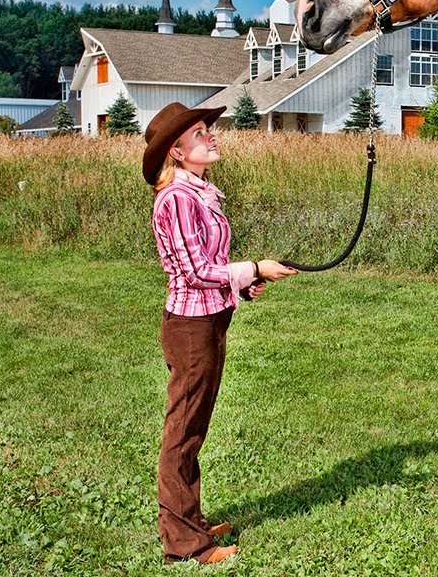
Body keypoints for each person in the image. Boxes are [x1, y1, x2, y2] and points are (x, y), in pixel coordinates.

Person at [142, 102, 298, 564]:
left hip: (209, 320)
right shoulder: (177, 199)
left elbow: (209, 269)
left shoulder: (200, 192)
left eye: (207, 129)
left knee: (194, 428)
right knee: (183, 432)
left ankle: (188, 519)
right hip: (190, 328)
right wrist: (252, 267)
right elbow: (193, 272)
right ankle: (185, 544)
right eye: (199, 133)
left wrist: (243, 283)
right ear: (177, 151)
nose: (210, 136)